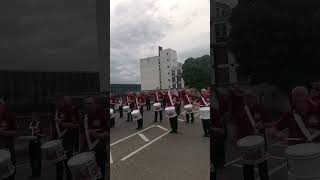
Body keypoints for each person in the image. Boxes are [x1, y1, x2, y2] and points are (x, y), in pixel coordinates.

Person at [232, 90, 273, 180]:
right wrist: (235, 140)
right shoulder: (240, 110)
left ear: (255, 98)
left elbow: (271, 123)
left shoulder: (261, 108)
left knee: (262, 167)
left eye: (251, 97)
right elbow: (236, 125)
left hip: (259, 141)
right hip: (244, 143)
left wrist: (263, 124)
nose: (249, 99)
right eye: (247, 97)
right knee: (247, 168)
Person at [55, 96, 80, 180]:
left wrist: (63, 124)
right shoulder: (55, 112)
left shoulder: (70, 111)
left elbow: (75, 124)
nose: (57, 103)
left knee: (67, 163)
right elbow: (52, 125)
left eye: (60, 101)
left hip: (67, 139)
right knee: (58, 163)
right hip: (57, 141)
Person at [83, 97, 109, 180]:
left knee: (100, 172)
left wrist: (97, 135)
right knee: (89, 173)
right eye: (86, 104)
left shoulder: (102, 115)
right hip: (88, 149)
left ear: (95, 104)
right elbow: (81, 134)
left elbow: (108, 133)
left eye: (90, 103)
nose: (88, 106)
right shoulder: (84, 117)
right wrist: (80, 150)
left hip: (99, 148)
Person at [0, 99, 17, 180]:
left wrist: (4, 133)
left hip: (8, 147)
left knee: (11, 170)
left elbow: (16, 132)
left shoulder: (9, 115)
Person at [211, 105, 225, 180]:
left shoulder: (213, 112)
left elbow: (221, 131)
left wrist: (211, 129)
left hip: (214, 145)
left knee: (212, 169)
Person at [28, 112, 43, 178]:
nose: (33, 118)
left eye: (34, 116)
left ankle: (38, 174)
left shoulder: (39, 124)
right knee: (32, 160)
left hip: (37, 143)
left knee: (38, 159)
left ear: (37, 117)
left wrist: (38, 134)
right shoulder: (30, 123)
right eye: (32, 116)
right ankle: (33, 174)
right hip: (31, 144)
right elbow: (28, 133)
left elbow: (43, 134)